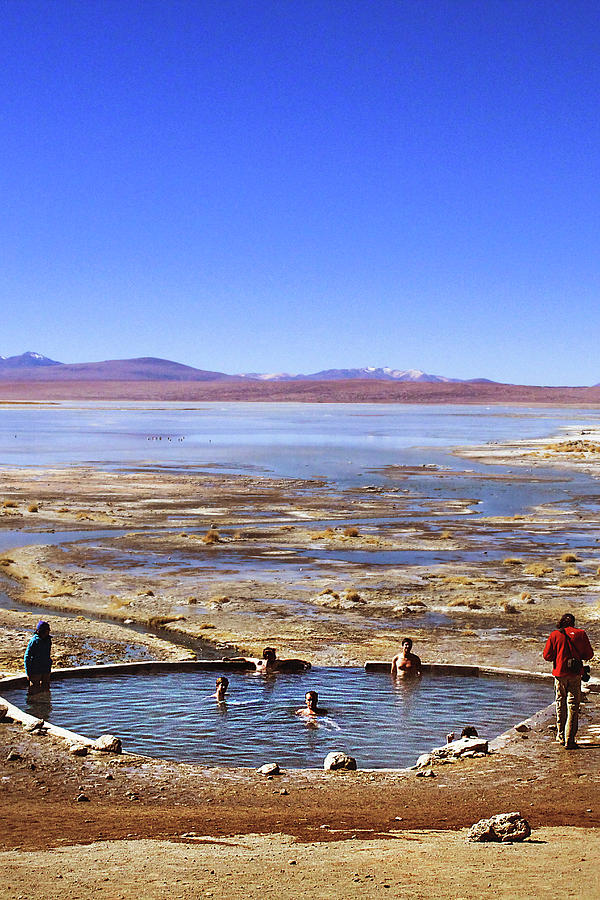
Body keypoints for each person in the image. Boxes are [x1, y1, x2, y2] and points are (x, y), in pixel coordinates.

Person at [543, 613, 594, 749]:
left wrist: (558, 655)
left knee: (561, 703)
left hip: (559, 674)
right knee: (573, 705)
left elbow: (547, 656)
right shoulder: (581, 634)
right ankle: (570, 739)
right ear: (573, 622)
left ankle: (560, 736)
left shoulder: (555, 635)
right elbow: (589, 654)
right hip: (575, 675)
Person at [24, 621, 52, 692]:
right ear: (41, 631)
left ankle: (46, 702)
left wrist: (49, 665)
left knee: (46, 687)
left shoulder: (48, 640)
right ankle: (33, 702)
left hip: (45, 668)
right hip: (36, 669)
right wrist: (28, 673)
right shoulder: (34, 641)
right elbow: (27, 657)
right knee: (34, 688)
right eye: (46, 631)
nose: (48, 632)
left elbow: (48, 654)